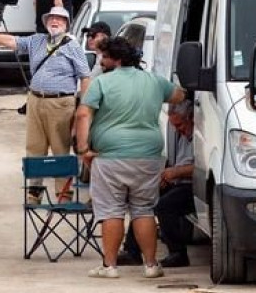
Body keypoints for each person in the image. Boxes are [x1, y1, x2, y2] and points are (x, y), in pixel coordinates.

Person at [75, 37, 187, 279]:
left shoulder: (101, 83)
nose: (101, 61)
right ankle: (150, 265)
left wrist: (84, 149)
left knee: (111, 211)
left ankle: (110, 266)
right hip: (148, 155)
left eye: (104, 57)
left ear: (116, 59)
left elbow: (83, 114)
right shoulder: (154, 81)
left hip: (110, 156)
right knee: (143, 209)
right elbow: (179, 96)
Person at [0, 5, 90, 202]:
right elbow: (13, 41)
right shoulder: (36, 40)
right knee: (34, 147)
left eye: (60, 19)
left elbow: (85, 77)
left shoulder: (73, 46)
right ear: (45, 22)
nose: (55, 21)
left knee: (61, 149)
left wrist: (83, 106)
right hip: (35, 100)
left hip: (61, 102)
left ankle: (63, 194)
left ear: (67, 24)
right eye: (51, 18)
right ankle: (34, 191)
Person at [118, 99, 195, 268]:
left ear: (191, 118)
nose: (177, 129)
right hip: (179, 181)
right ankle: (132, 251)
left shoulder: (199, 134)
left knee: (164, 206)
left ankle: (178, 253)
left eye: (180, 125)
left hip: (192, 185)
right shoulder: (181, 135)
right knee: (142, 198)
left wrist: (175, 172)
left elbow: (198, 168)